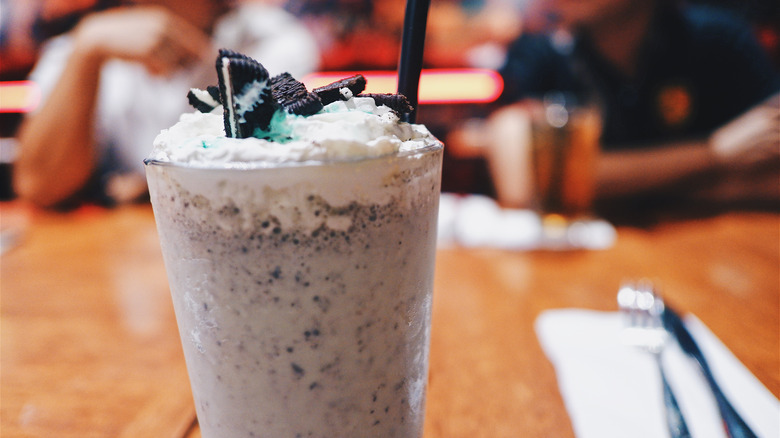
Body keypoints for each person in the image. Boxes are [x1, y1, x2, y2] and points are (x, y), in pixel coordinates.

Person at [450, 0, 780, 214]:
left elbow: (772, 182)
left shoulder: (719, 41)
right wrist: (714, 154)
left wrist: (609, 186)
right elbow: (525, 185)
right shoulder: (543, 50)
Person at [13, 0, 320, 208]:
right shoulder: (83, 42)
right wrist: (87, 52)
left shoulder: (274, 38)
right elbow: (39, 186)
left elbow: (288, 177)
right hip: (119, 267)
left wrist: (153, 186)